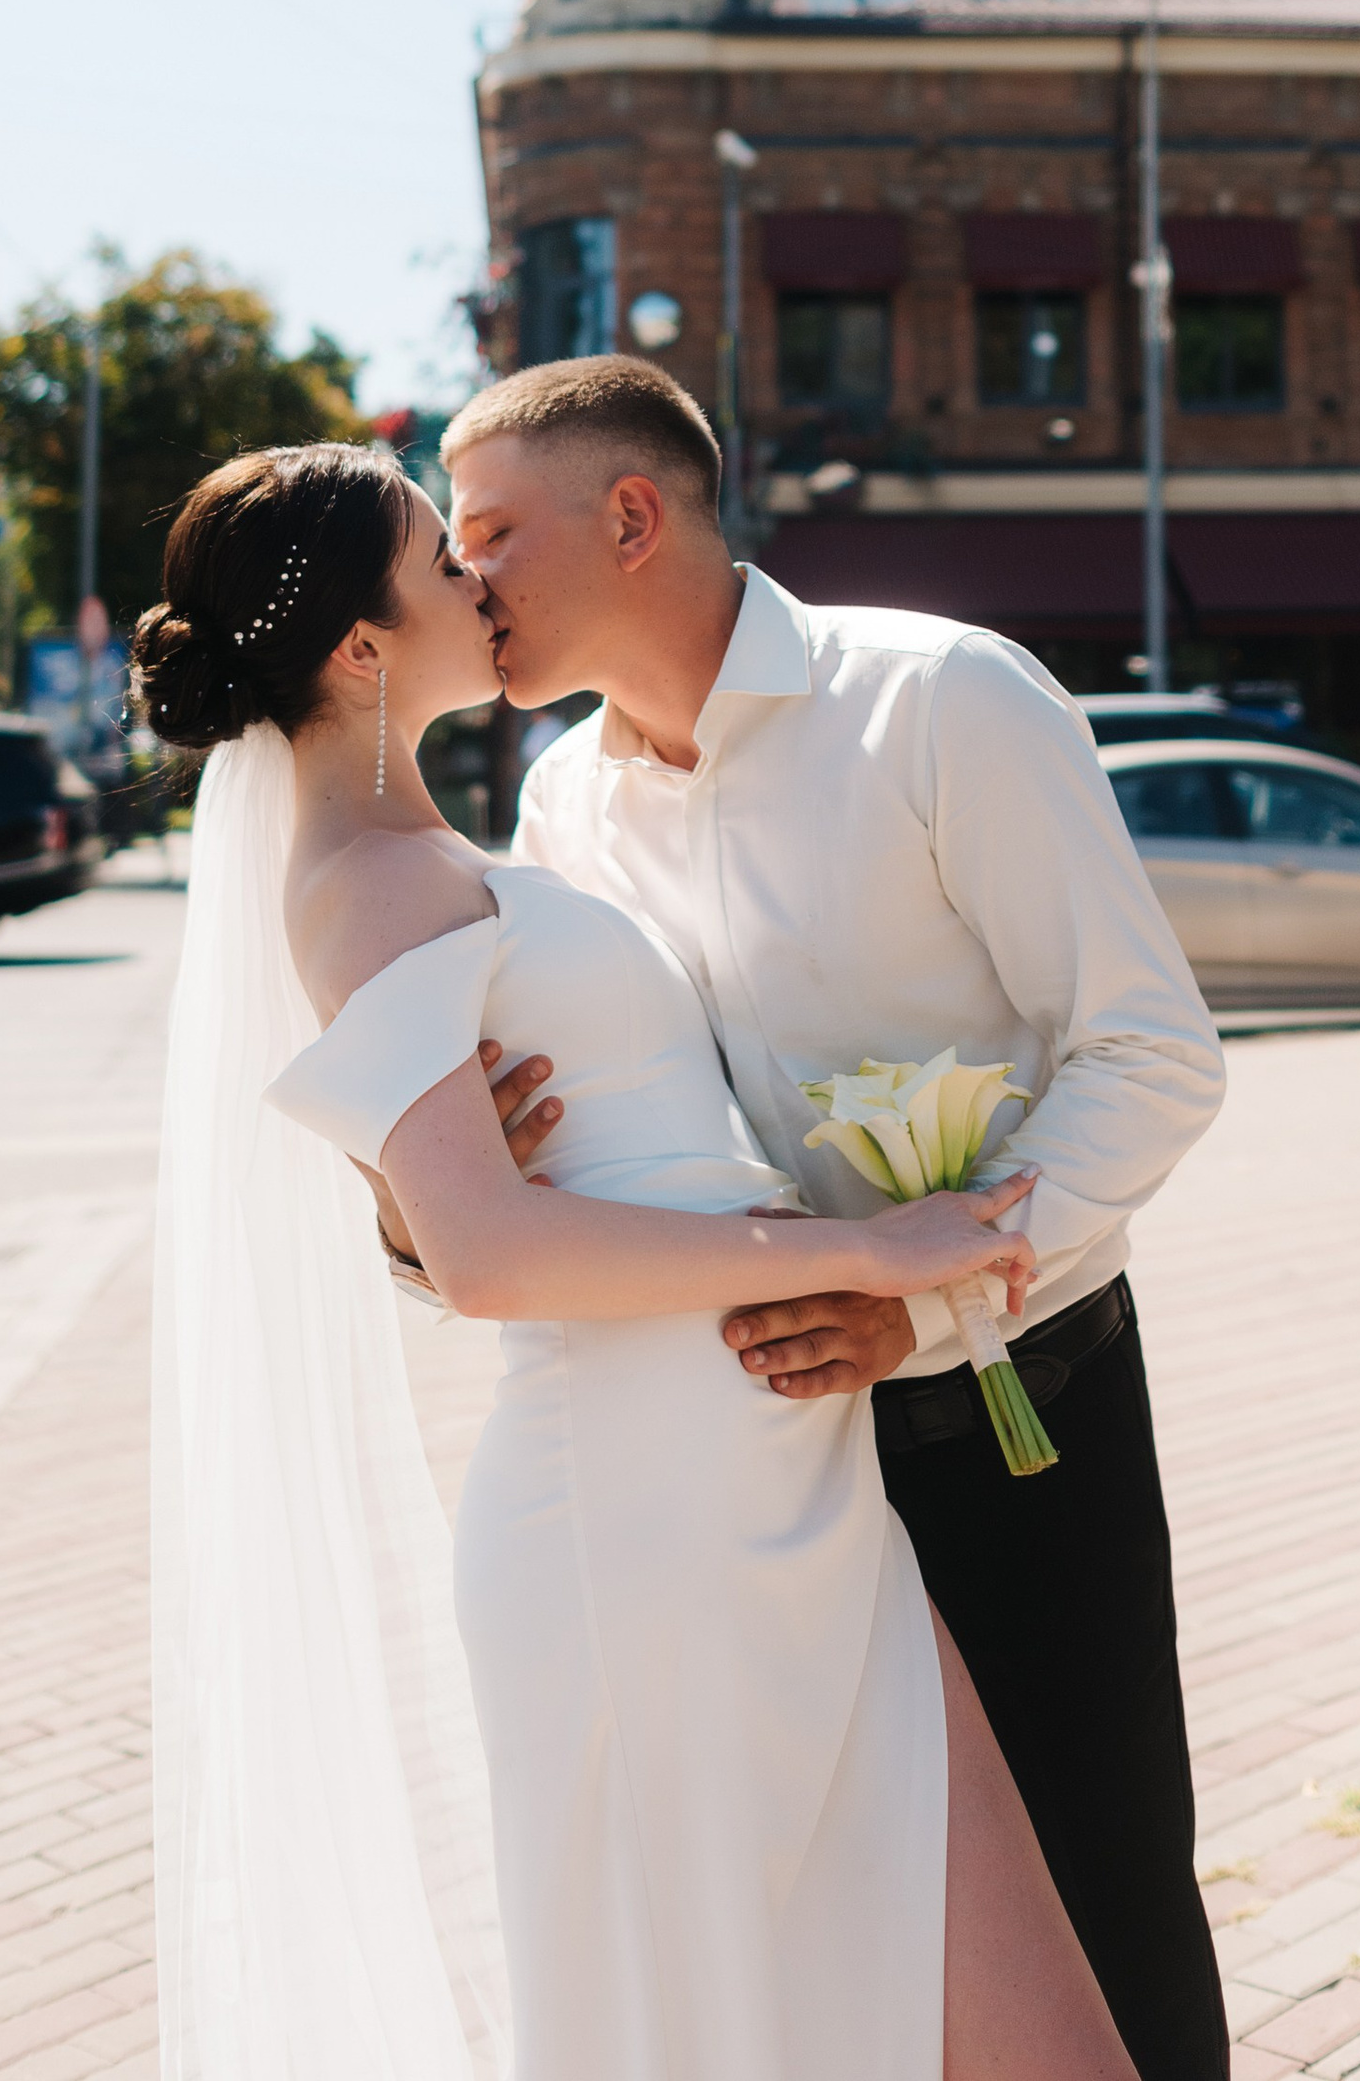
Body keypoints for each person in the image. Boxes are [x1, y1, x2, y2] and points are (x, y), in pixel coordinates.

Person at [138, 436, 1139, 2081]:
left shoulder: (471, 845)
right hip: (642, 1511)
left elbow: (487, 1189)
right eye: (440, 555)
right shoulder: (371, 883)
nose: (476, 577)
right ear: (365, 647)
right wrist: (865, 1246)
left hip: (780, 1473)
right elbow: (484, 1253)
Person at [444, 355, 1231, 2081]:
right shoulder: (562, 802)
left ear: (632, 515)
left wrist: (921, 1301)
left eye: (489, 529)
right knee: (855, 1936)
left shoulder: (946, 701)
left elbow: (1156, 1056)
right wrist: (457, 1173)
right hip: (755, 1470)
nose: (458, 569)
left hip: (1020, 1416)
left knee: (1099, 1904)